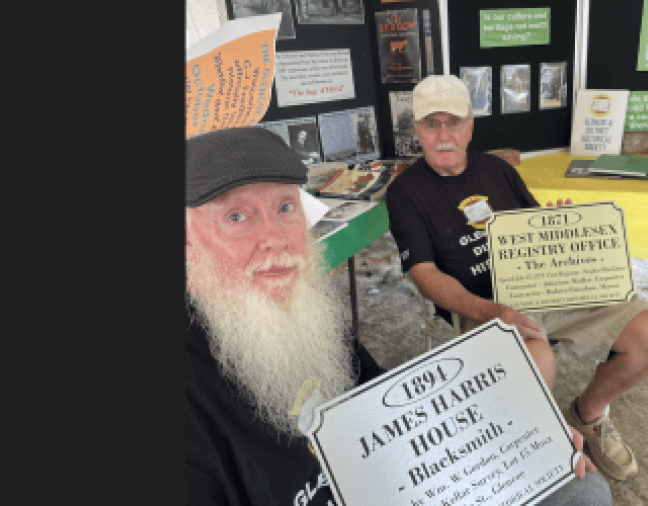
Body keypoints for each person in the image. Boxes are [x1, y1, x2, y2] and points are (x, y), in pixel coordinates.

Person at [185, 127, 612, 505]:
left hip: (389, 482)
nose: (275, 240)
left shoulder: (302, 306)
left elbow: (381, 402)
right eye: (236, 216)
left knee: (579, 488)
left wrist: (512, 437)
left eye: (284, 208)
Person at [385, 75, 648, 482]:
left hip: (547, 284)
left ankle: (587, 414)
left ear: (470, 124)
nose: (443, 135)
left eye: (453, 122)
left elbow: (536, 226)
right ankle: (528, 453)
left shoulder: (496, 170)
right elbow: (425, 273)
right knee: (537, 360)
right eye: (431, 124)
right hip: (481, 303)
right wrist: (489, 310)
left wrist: (560, 228)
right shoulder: (405, 193)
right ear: (416, 130)